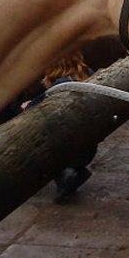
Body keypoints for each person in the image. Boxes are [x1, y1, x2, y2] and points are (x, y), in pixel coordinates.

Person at [25, 51, 97, 202]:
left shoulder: (60, 86)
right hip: (90, 148)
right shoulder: (89, 73)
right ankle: (74, 171)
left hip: (71, 152)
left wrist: (27, 105)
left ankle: (65, 174)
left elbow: (35, 107)